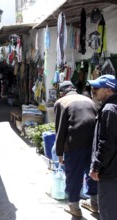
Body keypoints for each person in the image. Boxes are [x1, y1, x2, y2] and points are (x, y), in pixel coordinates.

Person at [54, 81, 97, 217]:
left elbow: (60, 129)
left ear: (61, 92)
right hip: (93, 142)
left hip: (74, 144)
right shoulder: (88, 100)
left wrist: (59, 152)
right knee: (92, 172)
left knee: (74, 174)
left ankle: (74, 206)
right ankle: (95, 203)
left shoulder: (61, 102)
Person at [87, 74, 117, 219]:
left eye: (96, 88)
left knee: (108, 212)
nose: (93, 90)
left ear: (108, 90)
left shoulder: (109, 110)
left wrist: (96, 167)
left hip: (110, 172)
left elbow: (107, 143)